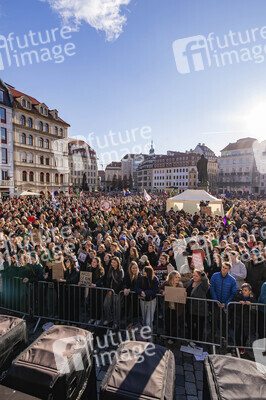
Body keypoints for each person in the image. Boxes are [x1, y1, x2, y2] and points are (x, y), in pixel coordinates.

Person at [210, 262, 237, 338]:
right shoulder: (215, 276)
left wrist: (226, 303)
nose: (223, 269)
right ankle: (213, 335)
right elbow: (212, 288)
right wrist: (216, 300)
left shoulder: (232, 280)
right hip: (216, 303)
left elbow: (233, 292)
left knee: (224, 322)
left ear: (229, 270)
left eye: (225, 268)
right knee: (214, 320)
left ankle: (224, 337)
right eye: (223, 267)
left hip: (226, 305)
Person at [161, 270, 184, 345]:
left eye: (178, 277)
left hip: (177, 308)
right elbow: (160, 288)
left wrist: (184, 294)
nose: (177, 279)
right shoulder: (166, 284)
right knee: (167, 322)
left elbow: (182, 295)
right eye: (176, 277)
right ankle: (168, 335)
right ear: (171, 278)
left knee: (175, 323)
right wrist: (162, 292)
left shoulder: (180, 285)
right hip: (168, 307)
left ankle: (173, 338)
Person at [186, 270, 210, 341]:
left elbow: (206, 283)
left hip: (200, 308)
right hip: (190, 307)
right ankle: (191, 338)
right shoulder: (191, 281)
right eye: (194, 275)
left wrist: (203, 274)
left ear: (200, 277)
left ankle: (198, 340)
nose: (194, 277)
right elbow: (188, 290)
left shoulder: (203, 284)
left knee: (199, 326)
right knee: (190, 324)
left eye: (196, 276)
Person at [233, 283, 256, 353]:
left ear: (250, 292)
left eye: (246, 290)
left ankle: (242, 347)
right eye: (243, 290)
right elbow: (234, 307)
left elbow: (255, 311)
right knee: (237, 333)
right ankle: (238, 347)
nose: (244, 291)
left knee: (245, 334)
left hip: (247, 320)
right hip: (238, 319)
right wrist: (239, 303)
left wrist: (251, 305)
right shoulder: (238, 297)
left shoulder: (253, 299)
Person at [135, 265, 159, 333]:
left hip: (151, 300)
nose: (142, 272)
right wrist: (140, 292)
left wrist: (146, 293)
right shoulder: (141, 278)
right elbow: (136, 287)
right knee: (144, 318)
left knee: (149, 320)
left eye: (144, 271)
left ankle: (149, 335)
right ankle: (145, 334)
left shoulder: (154, 279)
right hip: (143, 300)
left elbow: (156, 289)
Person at [103, 256, 124, 326]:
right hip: (110, 290)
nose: (113, 264)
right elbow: (107, 280)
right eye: (112, 262)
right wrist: (108, 289)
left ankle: (116, 322)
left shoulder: (120, 271)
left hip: (117, 292)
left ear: (118, 263)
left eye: (114, 263)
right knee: (106, 305)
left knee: (117, 308)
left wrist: (114, 290)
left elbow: (120, 282)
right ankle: (109, 319)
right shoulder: (110, 269)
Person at [122, 261, 141, 325]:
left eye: (136, 268)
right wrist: (125, 288)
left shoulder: (139, 275)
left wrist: (129, 290)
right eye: (133, 268)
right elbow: (124, 282)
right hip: (128, 296)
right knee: (127, 310)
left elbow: (137, 285)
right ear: (130, 268)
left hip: (135, 297)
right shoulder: (127, 274)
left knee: (134, 312)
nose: (135, 269)